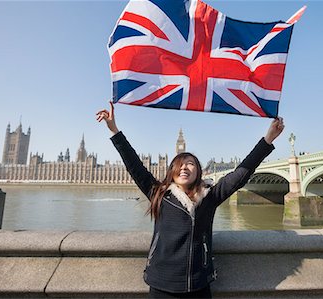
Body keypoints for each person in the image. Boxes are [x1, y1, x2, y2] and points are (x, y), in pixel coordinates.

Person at [96, 102, 284, 299]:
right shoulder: (159, 194)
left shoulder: (210, 197)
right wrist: (114, 130)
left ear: (198, 171)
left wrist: (268, 139)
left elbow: (241, 173)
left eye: (190, 164)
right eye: (180, 165)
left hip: (199, 284)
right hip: (162, 283)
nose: (185, 168)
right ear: (172, 172)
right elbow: (134, 165)